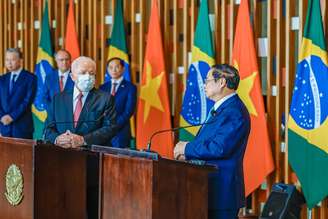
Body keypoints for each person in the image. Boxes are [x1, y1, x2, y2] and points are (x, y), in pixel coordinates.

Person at [174, 64, 251, 219]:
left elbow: (218, 148)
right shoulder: (222, 108)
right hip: (207, 187)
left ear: (222, 82)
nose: (204, 84)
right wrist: (188, 156)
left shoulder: (234, 111)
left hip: (222, 192)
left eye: (207, 80)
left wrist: (187, 148)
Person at [44, 56, 117, 148]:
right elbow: (48, 128)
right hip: (62, 154)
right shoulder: (58, 99)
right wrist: (57, 139)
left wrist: (83, 140)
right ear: (72, 77)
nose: (87, 77)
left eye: (91, 73)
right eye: (82, 73)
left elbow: (110, 128)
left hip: (92, 154)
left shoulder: (105, 98)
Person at [100, 57, 137, 148]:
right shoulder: (102, 87)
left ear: (123, 69)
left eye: (117, 67)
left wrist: (114, 126)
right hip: (103, 131)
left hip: (121, 131)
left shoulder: (130, 87)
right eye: (111, 67)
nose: (114, 70)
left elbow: (128, 111)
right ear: (107, 69)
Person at [0, 48, 37, 139]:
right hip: (4, 126)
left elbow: (27, 101)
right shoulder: (2, 79)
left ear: (20, 60)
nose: (9, 63)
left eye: (12, 60)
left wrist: (12, 116)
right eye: (7, 60)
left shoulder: (30, 78)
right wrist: (2, 117)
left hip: (22, 127)